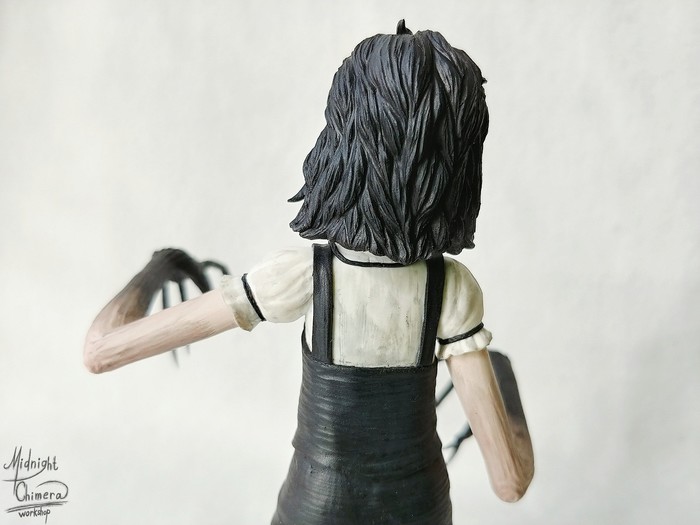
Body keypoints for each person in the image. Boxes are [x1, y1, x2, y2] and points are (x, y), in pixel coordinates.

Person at [84, 21, 534, 525]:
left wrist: (159, 267)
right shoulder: (451, 291)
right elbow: (510, 482)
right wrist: (502, 379)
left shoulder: (300, 278)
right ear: (459, 164)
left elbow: (101, 351)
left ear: (341, 142)